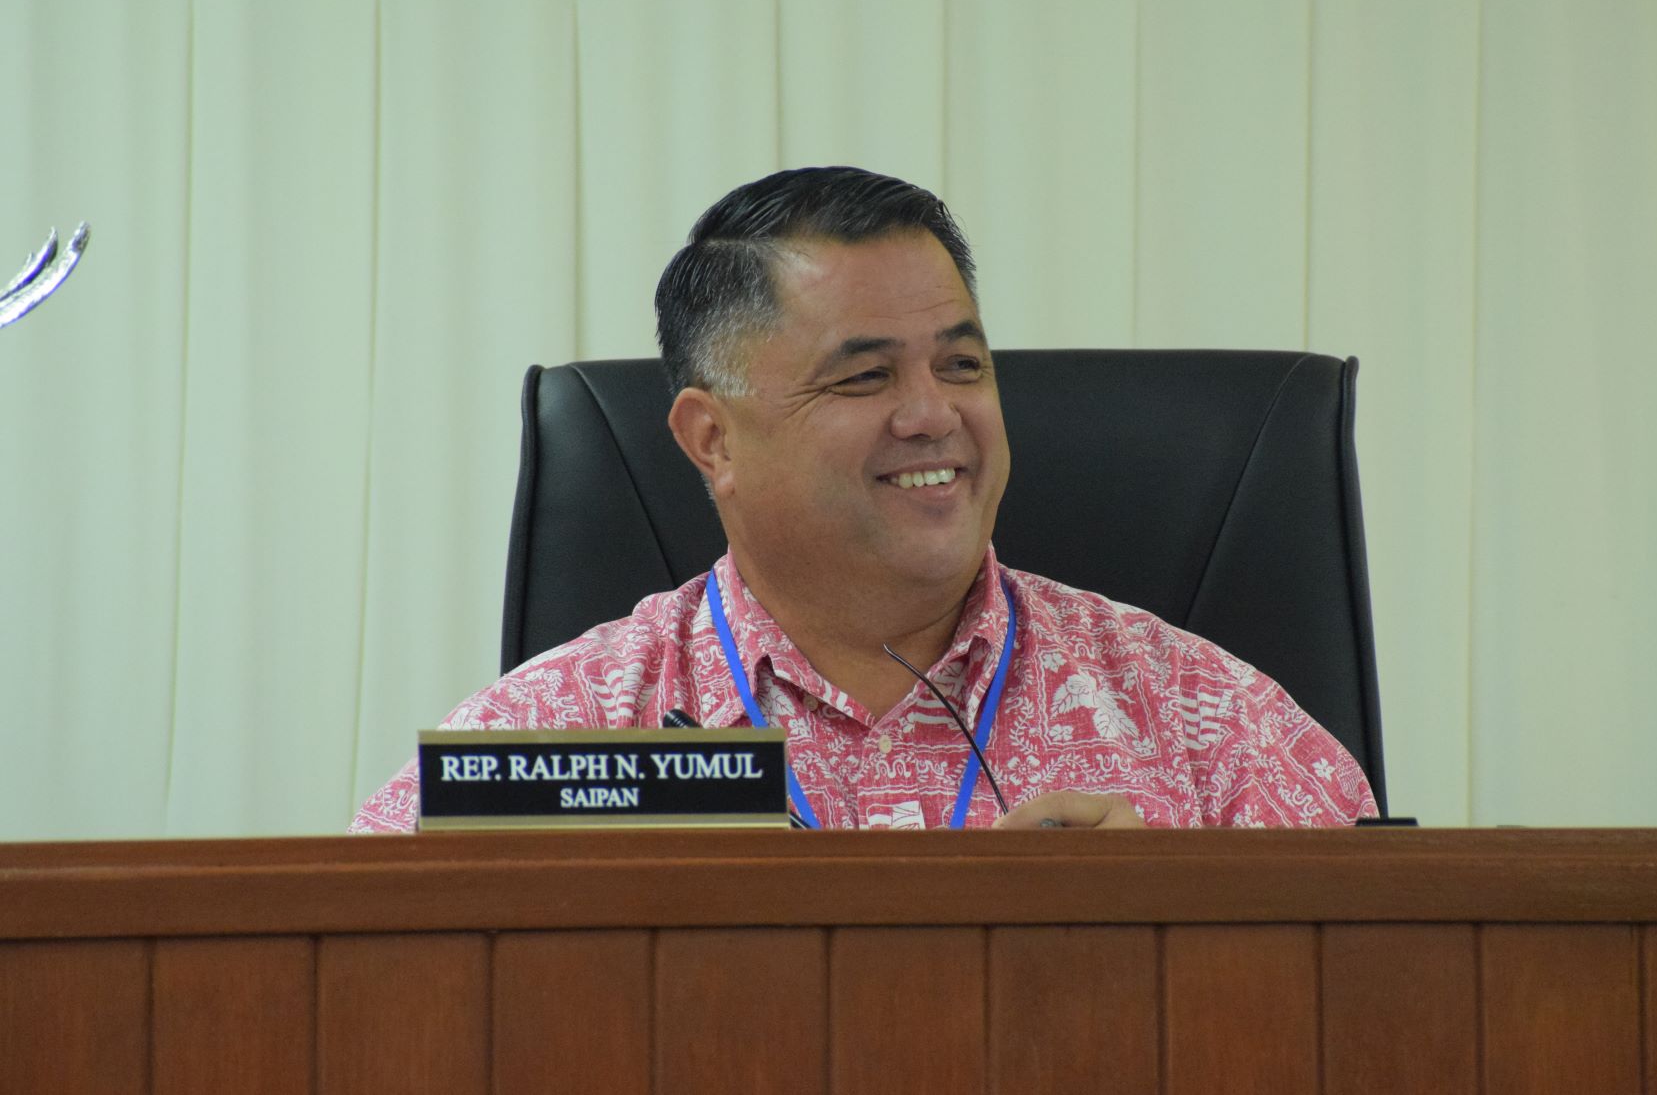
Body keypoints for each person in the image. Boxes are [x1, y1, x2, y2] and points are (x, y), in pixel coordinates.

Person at [351, 167, 1377, 833]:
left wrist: (1177, 937)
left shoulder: (1212, 730)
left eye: (963, 365)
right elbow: (378, 1002)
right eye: (864, 377)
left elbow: (1388, 1020)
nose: (935, 415)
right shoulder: (553, 738)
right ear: (712, 440)